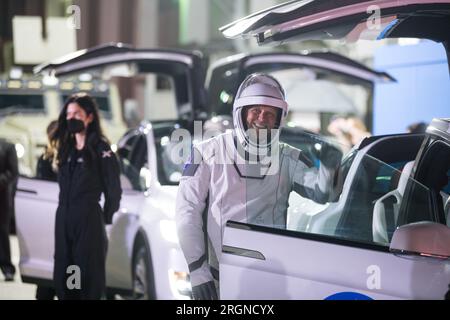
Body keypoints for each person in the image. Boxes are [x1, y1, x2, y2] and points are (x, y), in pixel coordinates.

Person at [176, 74, 342, 300]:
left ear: (278, 119)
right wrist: (198, 271)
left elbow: (324, 194)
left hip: (271, 277)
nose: (262, 118)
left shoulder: (288, 157)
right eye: (255, 110)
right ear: (241, 113)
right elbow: (187, 214)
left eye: (270, 113)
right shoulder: (205, 153)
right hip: (219, 278)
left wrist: (329, 167)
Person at [52, 93, 122, 299]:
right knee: (66, 272)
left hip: (88, 218)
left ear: (89, 117)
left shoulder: (101, 149)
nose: (72, 118)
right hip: (64, 217)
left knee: (88, 274)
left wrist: (106, 217)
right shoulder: (66, 149)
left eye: (77, 114)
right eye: (69, 114)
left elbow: (113, 189)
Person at [0, 138, 18, 282]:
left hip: (2, 197)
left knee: (2, 232)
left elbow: (13, 171)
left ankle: (7, 268)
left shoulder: (7, 146)